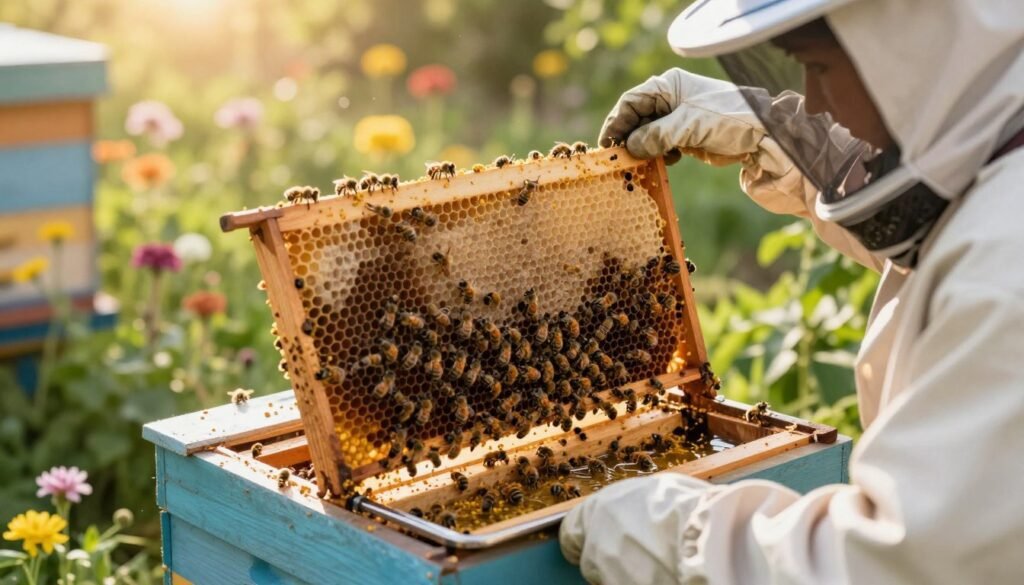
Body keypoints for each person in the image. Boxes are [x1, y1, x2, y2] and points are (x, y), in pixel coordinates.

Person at [559, 0, 1024, 583]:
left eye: (820, 68)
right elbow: (939, 218)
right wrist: (777, 135)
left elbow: (888, 566)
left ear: (913, 53)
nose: (817, 101)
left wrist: (674, 537)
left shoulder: (1005, 278)